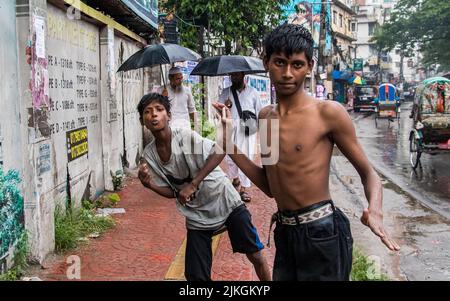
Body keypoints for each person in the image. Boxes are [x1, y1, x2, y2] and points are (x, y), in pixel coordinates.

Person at [213, 24, 400, 281]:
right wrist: (229, 146)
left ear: (309, 66)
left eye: (297, 65)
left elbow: (369, 173)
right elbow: (271, 186)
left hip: (322, 234)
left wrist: (375, 210)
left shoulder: (328, 113)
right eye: (279, 62)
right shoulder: (266, 117)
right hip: (285, 233)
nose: (288, 73)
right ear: (266, 62)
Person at [137, 93, 271, 281]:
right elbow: (174, 192)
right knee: (195, 275)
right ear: (143, 120)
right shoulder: (149, 155)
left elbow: (220, 151)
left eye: (159, 110)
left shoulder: (184, 136)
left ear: (169, 115)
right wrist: (149, 184)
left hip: (225, 200)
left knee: (255, 254)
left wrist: (193, 184)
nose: (154, 115)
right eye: (147, 112)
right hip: (197, 216)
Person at [218, 72, 262, 203]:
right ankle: (235, 178)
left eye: (237, 75)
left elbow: (259, 111)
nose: (234, 78)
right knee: (230, 156)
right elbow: (218, 110)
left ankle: (244, 188)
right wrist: (224, 107)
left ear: (243, 75)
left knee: (246, 156)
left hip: (247, 128)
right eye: (232, 76)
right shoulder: (226, 92)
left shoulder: (253, 92)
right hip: (230, 127)